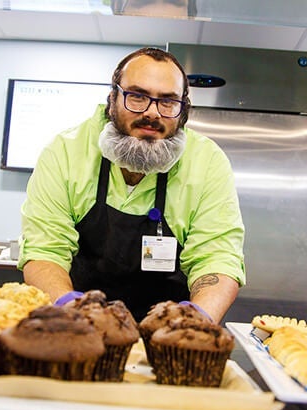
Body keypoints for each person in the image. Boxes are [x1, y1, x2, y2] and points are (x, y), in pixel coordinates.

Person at [18, 47, 245, 323]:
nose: (152, 112)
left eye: (168, 101)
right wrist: (71, 314)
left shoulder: (207, 162)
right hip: (77, 324)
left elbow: (216, 259)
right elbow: (45, 251)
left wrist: (193, 324)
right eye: (137, 96)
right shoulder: (65, 152)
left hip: (169, 331)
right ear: (112, 98)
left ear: (183, 110)